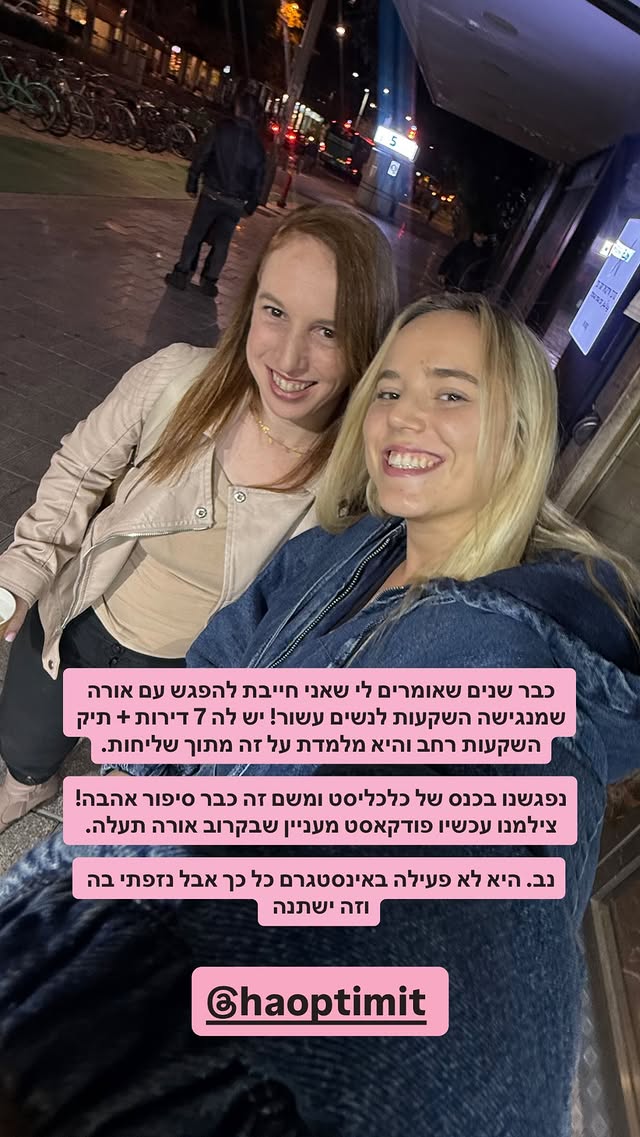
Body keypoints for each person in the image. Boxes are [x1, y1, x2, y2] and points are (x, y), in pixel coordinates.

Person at [0, 294, 638, 1137]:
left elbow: (472, 948)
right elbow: (215, 670)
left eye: (451, 392)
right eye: (390, 389)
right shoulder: (338, 551)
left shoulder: (509, 661)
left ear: (522, 434)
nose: (404, 415)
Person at [0, 203, 398, 835]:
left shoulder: (355, 488)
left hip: (184, 679)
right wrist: (22, 572)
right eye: (275, 312)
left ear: (369, 340)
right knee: (23, 745)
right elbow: (81, 469)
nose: (289, 358)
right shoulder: (178, 379)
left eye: (328, 331)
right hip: (82, 615)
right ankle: (27, 783)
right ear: (250, 305)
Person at [164, 91, 266, 297]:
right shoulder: (258, 146)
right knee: (222, 242)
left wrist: (193, 180)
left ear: (238, 108)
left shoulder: (222, 129)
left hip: (212, 192)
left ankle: (182, 272)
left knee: (195, 234)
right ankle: (209, 280)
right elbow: (258, 180)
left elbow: (203, 155)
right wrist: (251, 204)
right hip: (235, 202)